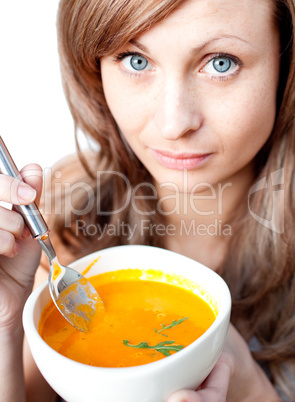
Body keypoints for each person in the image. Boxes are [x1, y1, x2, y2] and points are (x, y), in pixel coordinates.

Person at [1, 0, 295, 400]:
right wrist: (5, 325)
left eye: (221, 63)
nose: (174, 124)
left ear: (287, 66)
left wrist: (250, 390)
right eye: (136, 60)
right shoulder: (62, 212)